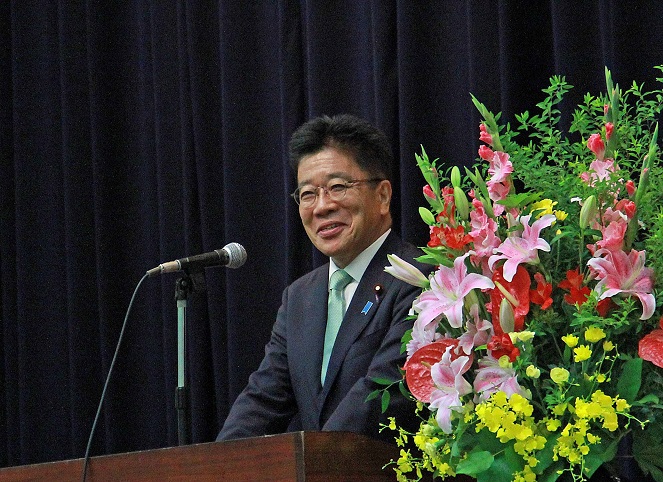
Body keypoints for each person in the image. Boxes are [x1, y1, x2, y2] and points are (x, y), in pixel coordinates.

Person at [217, 114, 431, 443]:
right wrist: (217, 462)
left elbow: (383, 390)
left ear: (383, 196)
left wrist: (318, 458)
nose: (321, 207)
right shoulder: (300, 296)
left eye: (337, 187)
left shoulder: (419, 276)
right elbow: (263, 399)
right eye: (307, 194)